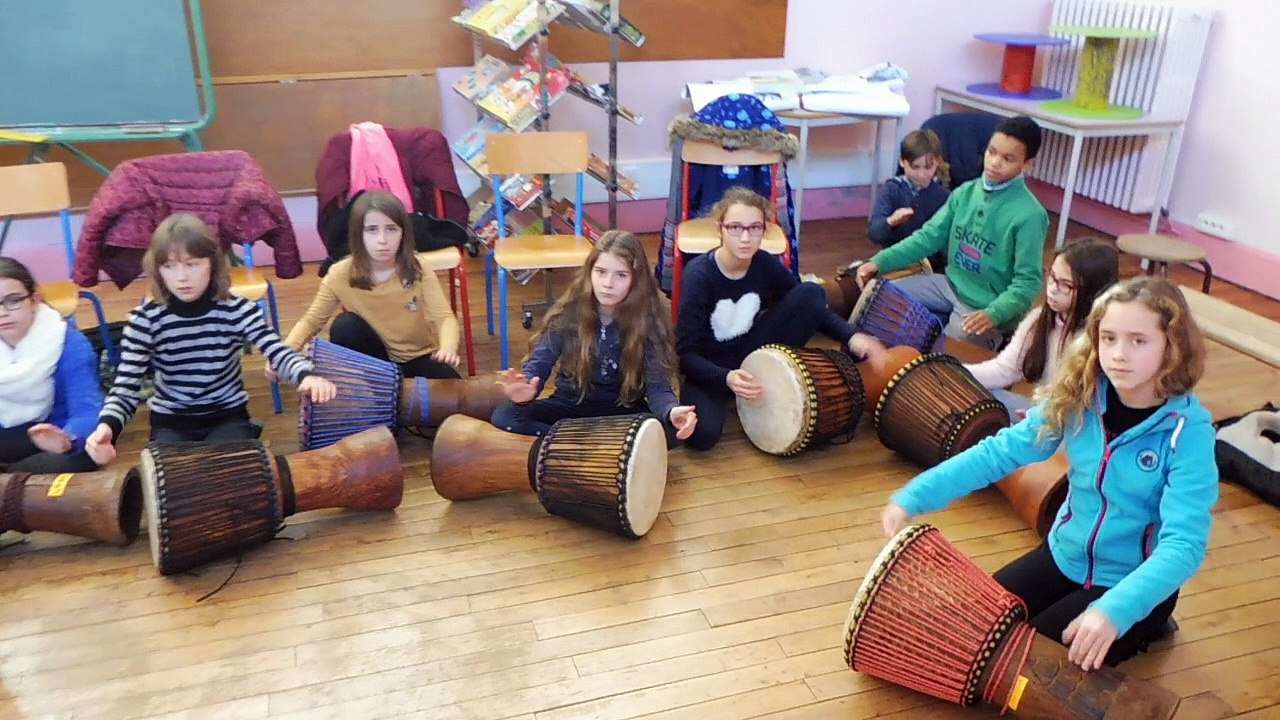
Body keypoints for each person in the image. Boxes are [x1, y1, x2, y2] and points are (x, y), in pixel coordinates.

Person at [882, 277, 1215, 670]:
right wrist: (917, 495)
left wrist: (1115, 610)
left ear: (1171, 347)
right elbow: (998, 454)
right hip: (1063, 556)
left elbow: (1184, 545)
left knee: (1019, 666)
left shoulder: (1189, 433)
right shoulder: (1080, 397)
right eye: (1108, 338)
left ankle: (1148, 621)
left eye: (1138, 341)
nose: (1119, 354)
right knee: (971, 634)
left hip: (1129, 582)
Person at [85, 214, 336, 464]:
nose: (181, 277)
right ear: (158, 271)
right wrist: (108, 428)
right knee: (175, 490)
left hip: (227, 417)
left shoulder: (237, 310)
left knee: (235, 479)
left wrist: (306, 375)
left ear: (212, 264)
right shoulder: (145, 321)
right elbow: (126, 388)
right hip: (172, 423)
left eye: (192, 264)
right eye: (169, 266)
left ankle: (246, 437)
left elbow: (276, 350)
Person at [676, 187, 886, 451]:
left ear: (764, 231)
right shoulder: (699, 276)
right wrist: (725, 377)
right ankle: (733, 391)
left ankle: (753, 384)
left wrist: (851, 335)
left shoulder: (764, 264)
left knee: (811, 292)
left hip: (753, 350)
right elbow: (685, 354)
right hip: (710, 366)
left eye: (754, 228)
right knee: (701, 437)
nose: (745, 237)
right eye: (735, 228)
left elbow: (807, 304)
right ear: (720, 229)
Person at [856, 116, 1050, 350]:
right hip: (949, 285)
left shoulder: (1030, 215)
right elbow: (927, 237)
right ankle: (938, 323)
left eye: (1008, 158)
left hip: (983, 307)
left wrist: (994, 314)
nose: (995, 162)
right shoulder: (965, 192)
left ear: (1027, 164)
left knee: (940, 365)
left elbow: (1028, 283)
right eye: (992, 151)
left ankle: (995, 341)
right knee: (878, 300)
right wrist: (878, 262)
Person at [492, 230, 698, 444]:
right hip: (570, 406)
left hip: (622, 410)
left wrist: (672, 412)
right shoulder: (568, 312)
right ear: (590, 273)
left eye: (621, 275)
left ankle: (569, 445)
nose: (608, 283)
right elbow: (539, 365)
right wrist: (527, 390)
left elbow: (659, 388)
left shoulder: (649, 320)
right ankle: (594, 446)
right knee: (505, 416)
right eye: (601, 272)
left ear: (636, 280)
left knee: (670, 432)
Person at [284, 190, 462, 378]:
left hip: (416, 358)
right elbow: (311, 320)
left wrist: (448, 348)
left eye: (391, 229)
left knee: (459, 391)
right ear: (358, 235)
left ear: (403, 233)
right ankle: (380, 392)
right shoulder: (340, 273)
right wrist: (283, 355)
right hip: (375, 366)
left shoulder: (418, 266)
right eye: (372, 230)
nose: (382, 240)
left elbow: (445, 317)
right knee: (345, 326)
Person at [965, 238, 1119, 419]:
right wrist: (951, 372)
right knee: (974, 397)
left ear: (1094, 291)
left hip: (1073, 430)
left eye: (1066, 285)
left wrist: (1041, 418)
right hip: (1040, 414)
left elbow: (1090, 414)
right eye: (1051, 276)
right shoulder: (1039, 319)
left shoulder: (1105, 342)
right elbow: (1004, 370)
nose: (1052, 289)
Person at [0, 258, 102, 473]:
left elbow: (87, 410)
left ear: (35, 300)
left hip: (56, 441)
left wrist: (70, 439)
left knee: (75, 460)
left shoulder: (69, 343)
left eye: (13, 300)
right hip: (8, 442)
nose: (3, 312)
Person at [867, 129, 950, 270]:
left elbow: (945, 246)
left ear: (937, 162)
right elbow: (874, 232)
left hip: (930, 268)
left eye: (928, 167)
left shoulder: (945, 196)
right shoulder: (893, 189)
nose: (922, 174)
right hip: (894, 263)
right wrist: (891, 222)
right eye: (915, 167)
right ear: (902, 161)